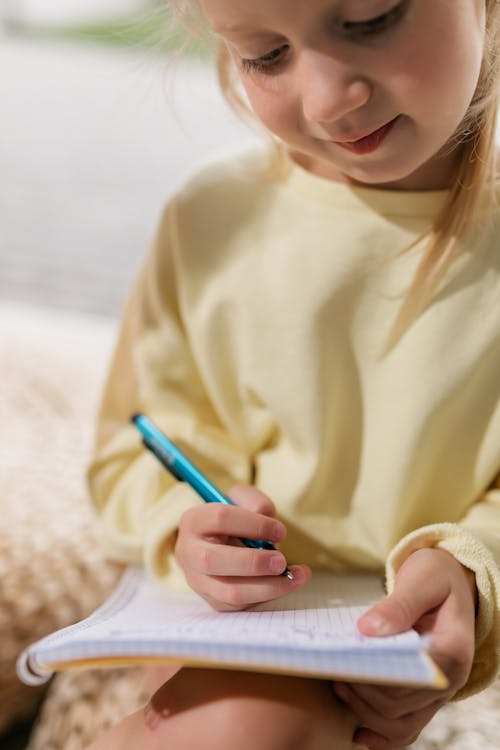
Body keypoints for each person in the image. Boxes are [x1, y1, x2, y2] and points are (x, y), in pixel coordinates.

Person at [86, 1, 500, 748]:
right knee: (249, 723)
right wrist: (187, 531)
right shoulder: (210, 218)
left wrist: (471, 568)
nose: (326, 99)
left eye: (373, 18)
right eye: (265, 55)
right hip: (232, 618)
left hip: (395, 641)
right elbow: (132, 452)